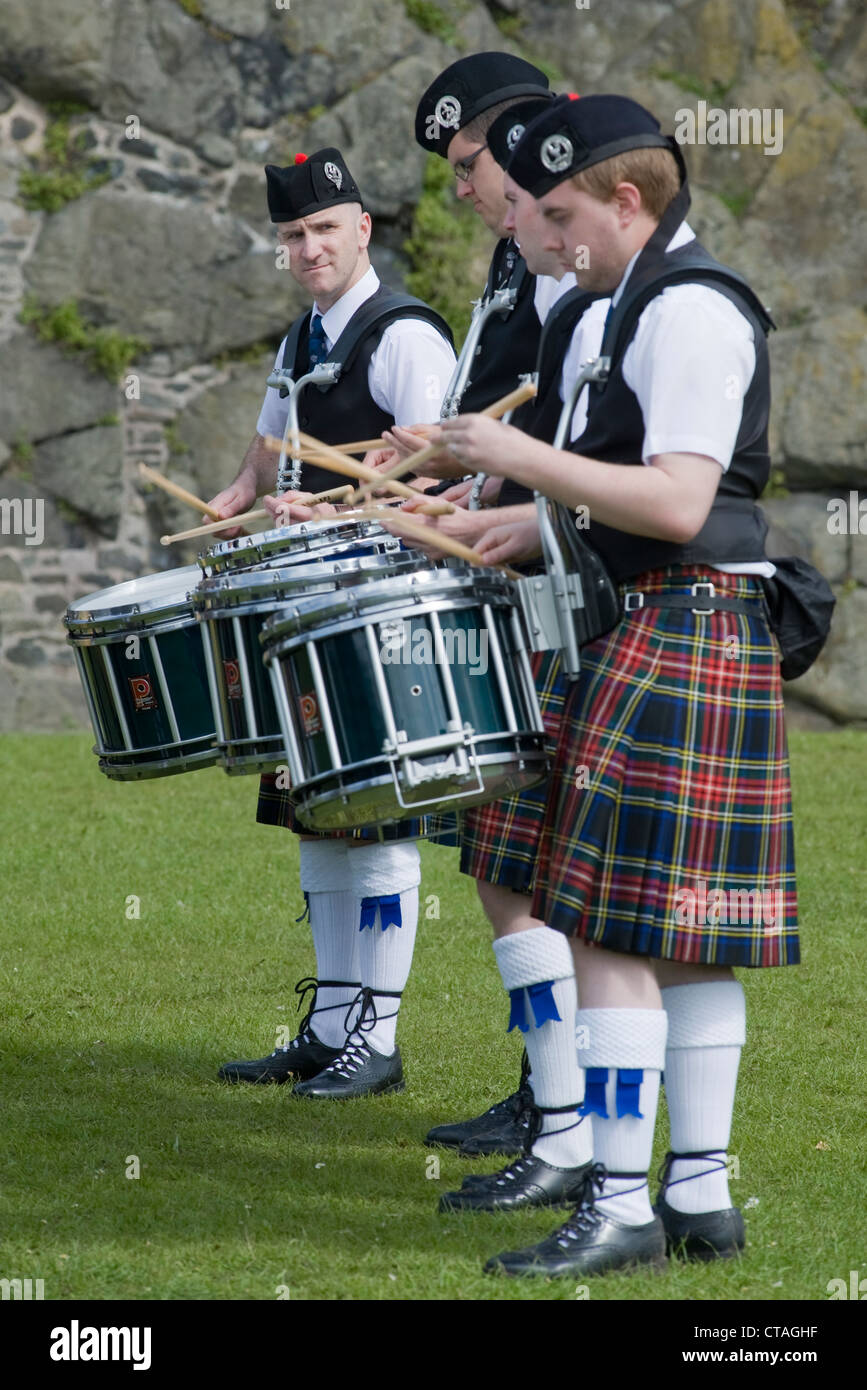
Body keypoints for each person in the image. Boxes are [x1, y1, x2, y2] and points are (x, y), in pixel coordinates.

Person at [426, 93, 797, 1277]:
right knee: (684, 940)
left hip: (682, 624)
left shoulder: (685, 311)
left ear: (627, 203)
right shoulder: (625, 304)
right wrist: (523, 527)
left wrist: (520, 460)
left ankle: (624, 1201)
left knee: (609, 926)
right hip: (671, 622)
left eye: (565, 213)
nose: (547, 233)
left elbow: (683, 501)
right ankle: (698, 1197)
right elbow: (626, 496)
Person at [207, 148, 456, 1100]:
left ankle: (378, 1039)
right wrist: (239, 493)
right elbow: (275, 438)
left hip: (379, 603)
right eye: (291, 236)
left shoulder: (404, 336)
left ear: (362, 229)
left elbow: (435, 476)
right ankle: (329, 1024)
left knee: (375, 812)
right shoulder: (301, 338)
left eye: (322, 230)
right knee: (316, 818)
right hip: (309, 604)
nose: (307, 249)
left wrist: (342, 510)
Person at [401, 64, 609, 1159]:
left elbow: (568, 443)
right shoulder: (513, 259)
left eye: (474, 167)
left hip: (557, 590)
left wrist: (477, 491)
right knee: (503, 863)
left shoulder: (576, 266)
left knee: (529, 865)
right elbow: (488, 423)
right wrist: (429, 470)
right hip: (516, 573)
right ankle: (547, 1084)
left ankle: (564, 1110)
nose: (472, 192)